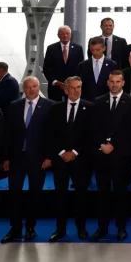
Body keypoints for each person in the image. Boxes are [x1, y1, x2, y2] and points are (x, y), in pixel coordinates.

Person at [1, 76, 52, 243]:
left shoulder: (50, 106)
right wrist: (6, 157)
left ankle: (31, 227)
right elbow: (8, 133)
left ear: (39, 87)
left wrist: (49, 157)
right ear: (24, 88)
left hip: (39, 159)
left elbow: (53, 135)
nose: (32, 90)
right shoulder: (14, 106)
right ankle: (15, 228)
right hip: (16, 158)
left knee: (35, 194)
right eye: (28, 87)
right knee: (14, 193)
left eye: (35, 86)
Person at [91, 70, 131, 242]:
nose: (114, 84)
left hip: (121, 156)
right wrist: (101, 145)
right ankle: (102, 227)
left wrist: (114, 145)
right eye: (111, 81)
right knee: (102, 194)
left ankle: (121, 227)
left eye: (118, 81)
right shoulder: (98, 101)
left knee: (120, 194)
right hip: (102, 155)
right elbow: (94, 128)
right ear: (107, 83)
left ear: (123, 83)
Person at [46, 76, 94, 242]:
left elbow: (91, 136)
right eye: (73, 88)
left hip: (80, 161)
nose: (76, 90)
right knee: (60, 196)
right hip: (60, 160)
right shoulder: (55, 108)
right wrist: (61, 153)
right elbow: (50, 135)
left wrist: (74, 152)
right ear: (66, 90)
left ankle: (81, 228)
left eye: (79, 87)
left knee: (81, 196)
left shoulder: (90, 108)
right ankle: (60, 229)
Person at [42, 25, 84, 102]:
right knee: (55, 111)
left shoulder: (78, 49)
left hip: (73, 88)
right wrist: (55, 82)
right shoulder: (51, 48)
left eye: (67, 33)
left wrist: (73, 83)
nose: (65, 35)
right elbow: (46, 68)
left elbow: (81, 68)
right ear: (58, 35)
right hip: (55, 88)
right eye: (62, 33)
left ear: (71, 35)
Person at [77, 36, 119, 100]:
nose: (95, 52)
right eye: (92, 50)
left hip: (106, 101)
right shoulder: (82, 65)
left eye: (98, 50)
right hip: (87, 101)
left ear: (104, 48)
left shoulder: (112, 65)